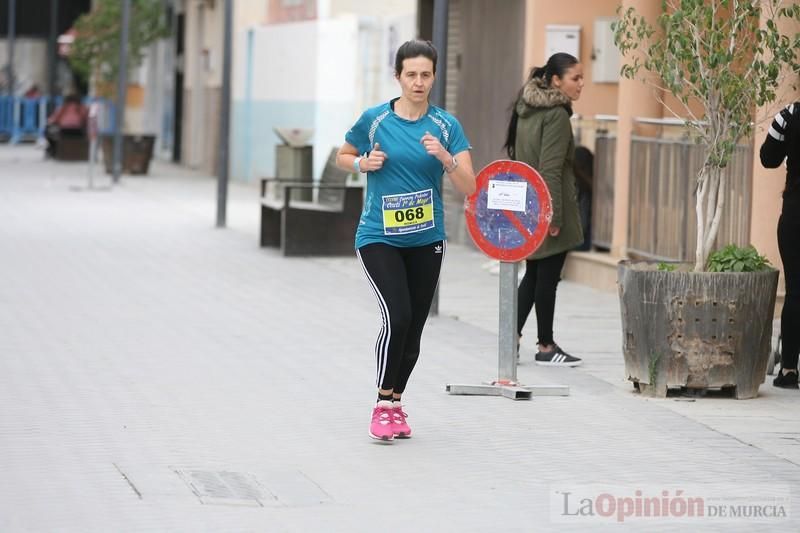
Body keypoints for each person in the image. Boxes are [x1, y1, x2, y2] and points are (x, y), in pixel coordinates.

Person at [337, 39, 476, 441]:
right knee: (396, 316)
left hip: (426, 238)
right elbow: (342, 155)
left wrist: (446, 159)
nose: (418, 82)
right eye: (410, 74)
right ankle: (381, 403)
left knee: (414, 326)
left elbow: (470, 186)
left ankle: (397, 402)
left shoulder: (447, 127)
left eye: (425, 74)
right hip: (379, 236)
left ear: (434, 77)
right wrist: (363, 163)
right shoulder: (376, 119)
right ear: (397, 76)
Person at [503, 52, 585, 367]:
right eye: (575, 78)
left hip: (531, 201)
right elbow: (550, 169)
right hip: (550, 203)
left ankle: (511, 337)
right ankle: (546, 345)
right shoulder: (557, 116)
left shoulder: (527, 109)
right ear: (555, 80)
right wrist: (553, 217)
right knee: (546, 277)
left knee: (535, 274)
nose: (580, 85)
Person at [760, 101, 800, 389]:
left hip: (795, 216)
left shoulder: (790, 114)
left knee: (796, 291)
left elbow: (768, 158)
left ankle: (788, 369)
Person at [45, 94, 88, 158]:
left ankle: (53, 150)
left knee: (48, 132)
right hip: (78, 132)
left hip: (65, 131)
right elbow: (85, 119)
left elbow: (54, 119)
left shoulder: (63, 107)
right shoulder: (82, 107)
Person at [573, 145, 594, 251]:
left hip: (582, 242)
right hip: (586, 241)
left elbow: (582, 222)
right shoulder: (589, 186)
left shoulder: (581, 188)